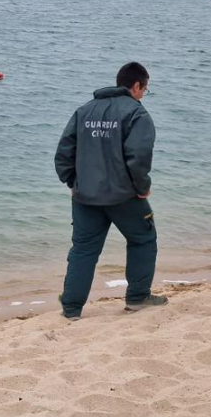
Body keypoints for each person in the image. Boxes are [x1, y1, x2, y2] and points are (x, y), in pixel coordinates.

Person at [54, 62, 165, 320]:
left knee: (83, 249)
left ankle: (71, 308)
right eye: (144, 89)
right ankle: (137, 298)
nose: (143, 94)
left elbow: (63, 154)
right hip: (123, 195)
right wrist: (142, 189)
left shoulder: (84, 111)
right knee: (143, 239)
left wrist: (73, 183)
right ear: (136, 86)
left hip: (85, 196)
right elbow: (138, 158)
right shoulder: (137, 114)